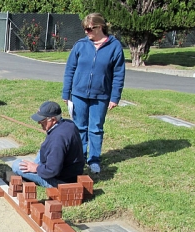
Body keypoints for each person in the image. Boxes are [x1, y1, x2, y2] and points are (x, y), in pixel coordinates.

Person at [62, 12, 125, 174]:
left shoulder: (115, 46)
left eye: (90, 29)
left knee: (96, 128)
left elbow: (119, 74)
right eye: (85, 29)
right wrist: (66, 92)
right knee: (79, 127)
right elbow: (70, 69)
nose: (87, 32)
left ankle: (94, 160)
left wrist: (115, 97)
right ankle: (79, 158)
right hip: (79, 94)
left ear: (100, 27)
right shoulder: (80, 45)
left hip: (101, 95)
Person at [11, 101, 84, 187]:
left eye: (42, 120)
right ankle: (33, 169)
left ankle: (33, 173)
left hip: (61, 179)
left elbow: (52, 170)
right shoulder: (68, 123)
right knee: (42, 150)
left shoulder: (58, 139)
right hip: (71, 168)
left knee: (16, 165)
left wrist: (36, 168)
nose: (39, 123)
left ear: (53, 120)